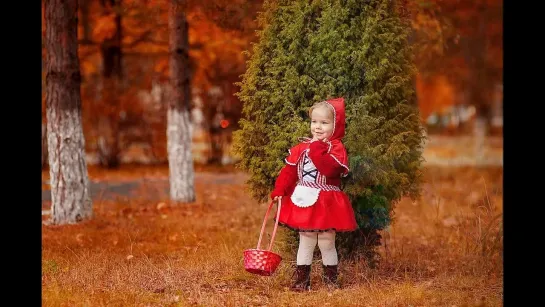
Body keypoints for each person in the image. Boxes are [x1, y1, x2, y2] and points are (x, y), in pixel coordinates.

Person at [270, 97, 358, 291]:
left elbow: (330, 170)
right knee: (307, 239)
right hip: (304, 198)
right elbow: (290, 171)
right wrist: (280, 190)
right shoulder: (302, 148)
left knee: (326, 241)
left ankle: (331, 282)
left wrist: (318, 149)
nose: (317, 127)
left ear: (336, 126)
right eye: (314, 122)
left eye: (324, 123)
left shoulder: (335, 148)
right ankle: (302, 283)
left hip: (327, 201)